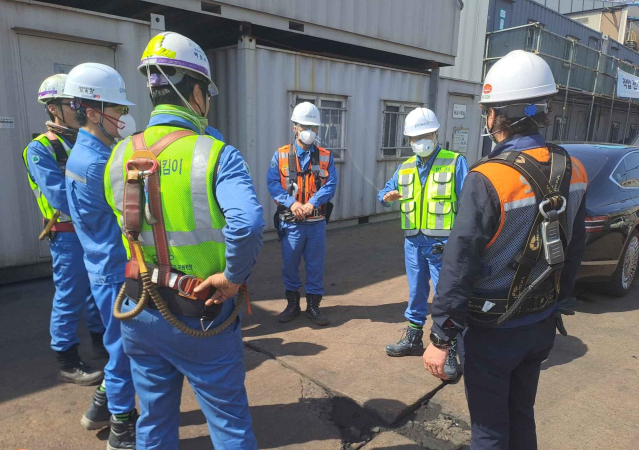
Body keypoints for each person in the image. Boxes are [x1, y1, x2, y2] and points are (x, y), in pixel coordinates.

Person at [103, 31, 264, 450]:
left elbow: (124, 223)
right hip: (201, 313)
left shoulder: (118, 157)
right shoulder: (215, 153)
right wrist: (232, 277)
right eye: (206, 93)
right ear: (195, 92)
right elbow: (246, 223)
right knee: (228, 422)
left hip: (140, 308)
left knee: (154, 420)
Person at [423, 50, 588, 449]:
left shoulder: (488, 178)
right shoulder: (573, 168)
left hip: (492, 333)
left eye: (489, 110)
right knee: (521, 416)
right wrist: (557, 303)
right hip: (541, 325)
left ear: (500, 115)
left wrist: (440, 338)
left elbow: (458, 266)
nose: (487, 118)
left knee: (490, 431)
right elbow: (574, 248)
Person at [63, 63, 138, 449]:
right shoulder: (100, 163)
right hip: (115, 272)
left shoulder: (80, 153)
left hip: (99, 266)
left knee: (115, 346)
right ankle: (122, 429)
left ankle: (99, 407)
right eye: (118, 110)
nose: (123, 117)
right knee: (124, 354)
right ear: (93, 112)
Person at [22, 74, 106, 385]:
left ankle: (100, 342)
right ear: (54, 108)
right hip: (68, 233)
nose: (79, 109)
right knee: (70, 294)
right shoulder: (39, 148)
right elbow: (58, 194)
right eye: (73, 104)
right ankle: (67, 359)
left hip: (92, 229)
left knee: (98, 291)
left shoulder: (83, 140)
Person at [378, 108, 468, 378]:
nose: (421, 140)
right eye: (415, 137)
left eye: (425, 134)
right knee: (416, 291)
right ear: (409, 140)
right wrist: (387, 197)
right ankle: (414, 336)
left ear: (436, 133)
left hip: (444, 244)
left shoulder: (455, 162)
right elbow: (383, 192)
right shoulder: (405, 167)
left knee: (446, 296)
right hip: (413, 243)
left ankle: (448, 344)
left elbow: (468, 204)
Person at [266, 101, 338, 326]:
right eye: (304, 126)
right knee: (290, 265)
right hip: (291, 224)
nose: (309, 131)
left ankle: (314, 307)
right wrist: (292, 203)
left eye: (313, 127)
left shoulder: (326, 156)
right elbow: (272, 183)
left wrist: (311, 204)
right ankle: (292, 304)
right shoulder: (280, 155)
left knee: (315, 266)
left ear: (317, 129)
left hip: (316, 223)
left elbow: (330, 184)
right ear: (294, 127)